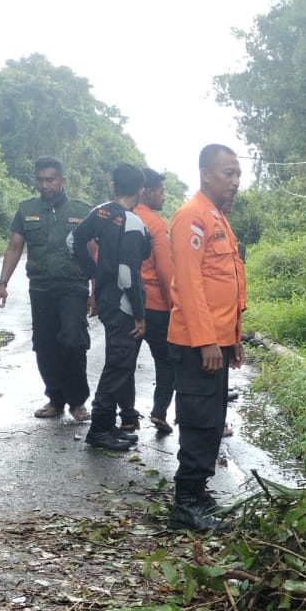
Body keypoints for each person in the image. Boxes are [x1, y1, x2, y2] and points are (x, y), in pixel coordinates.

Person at [165, 144, 245, 531]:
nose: (235, 181)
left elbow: (227, 282)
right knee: (198, 421)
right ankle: (185, 504)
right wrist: (206, 340)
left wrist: (233, 336)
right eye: (228, 173)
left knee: (213, 421)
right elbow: (190, 284)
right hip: (196, 343)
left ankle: (198, 492)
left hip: (216, 341)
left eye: (238, 174)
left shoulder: (218, 218)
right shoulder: (191, 217)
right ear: (205, 174)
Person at [0, 157, 94, 422]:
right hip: (40, 288)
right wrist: (2, 283)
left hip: (73, 286)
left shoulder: (82, 210)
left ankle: (77, 402)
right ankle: (55, 399)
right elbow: (14, 247)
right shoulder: (26, 210)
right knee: (45, 345)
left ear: (62, 180)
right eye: (40, 179)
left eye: (50, 179)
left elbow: (95, 250)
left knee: (73, 341)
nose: (44, 184)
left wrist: (97, 290)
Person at [67, 163, 151, 452]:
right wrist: (140, 315)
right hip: (125, 305)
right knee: (118, 365)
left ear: (113, 187)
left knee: (118, 363)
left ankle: (109, 426)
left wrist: (95, 273)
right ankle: (100, 430)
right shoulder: (133, 223)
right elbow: (128, 274)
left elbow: (72, 241)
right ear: (141, 191)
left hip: (106, 300)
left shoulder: (100, 212)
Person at [133, 168, 176, 436]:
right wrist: (175, 305)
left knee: (125, 361)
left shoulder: (120, 217)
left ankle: (126, 415)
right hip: (157, 306)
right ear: (147, 191)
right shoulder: (156, 224)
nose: (163, 196)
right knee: (166, 362)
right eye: (161, 191)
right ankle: (159, 412)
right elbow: (164, 270)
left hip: (129, 304)